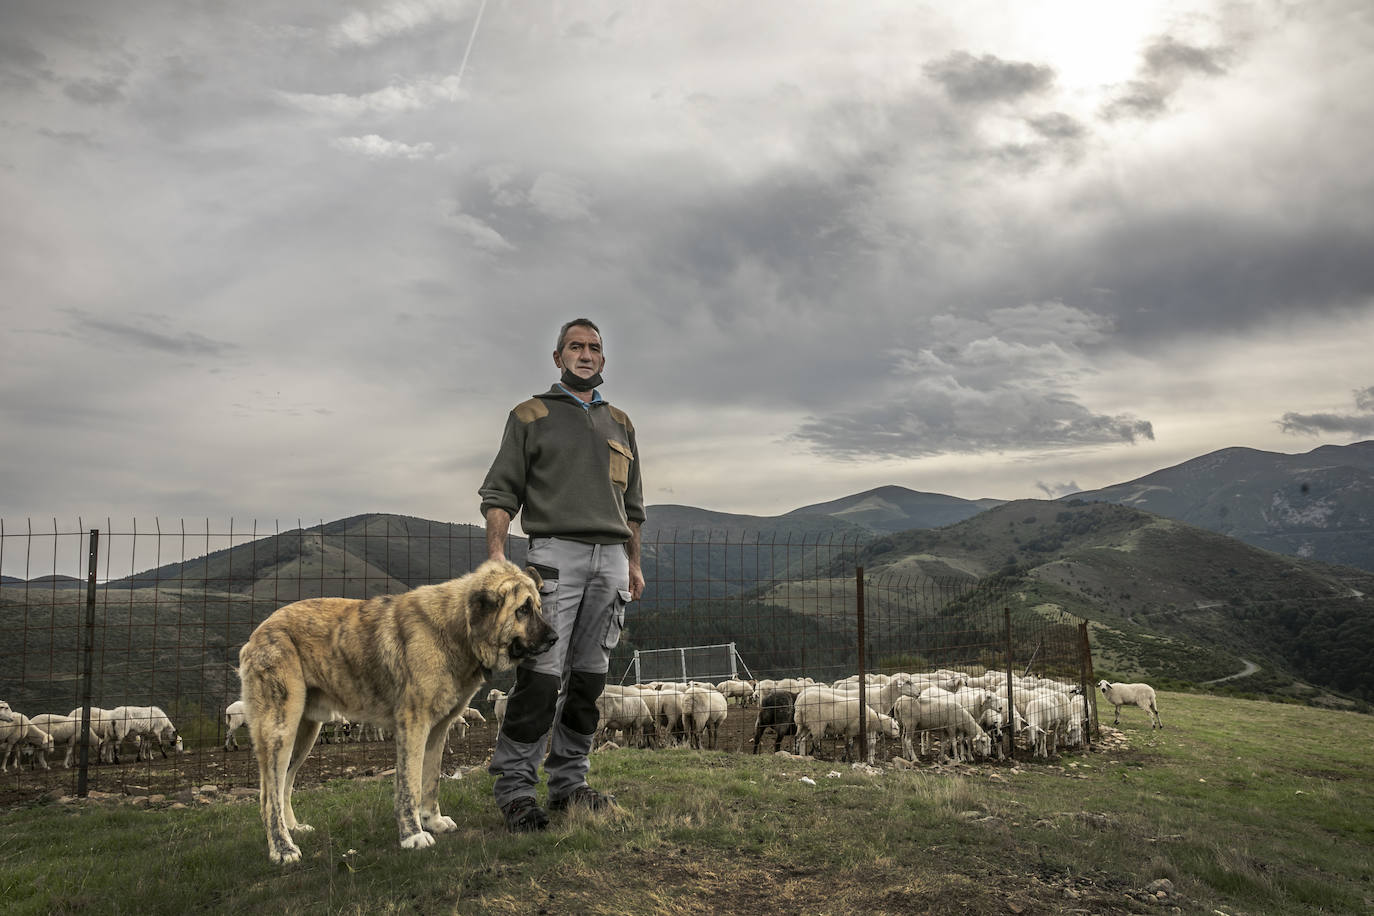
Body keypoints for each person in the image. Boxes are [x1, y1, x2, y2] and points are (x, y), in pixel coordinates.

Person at [479, 318, 646, 832]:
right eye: (575, 346)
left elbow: (633, 507)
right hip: (554, 558)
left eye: (595, 348)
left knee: (589, 682)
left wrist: (634, 563)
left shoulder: (621, 423)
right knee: (540, 678)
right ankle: (515, 790)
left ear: (603, 360)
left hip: (612, 561)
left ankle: (570, 784)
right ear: (558, 358)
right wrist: (497, 560)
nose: (586, 354)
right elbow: (501, 494)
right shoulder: (530, 415)